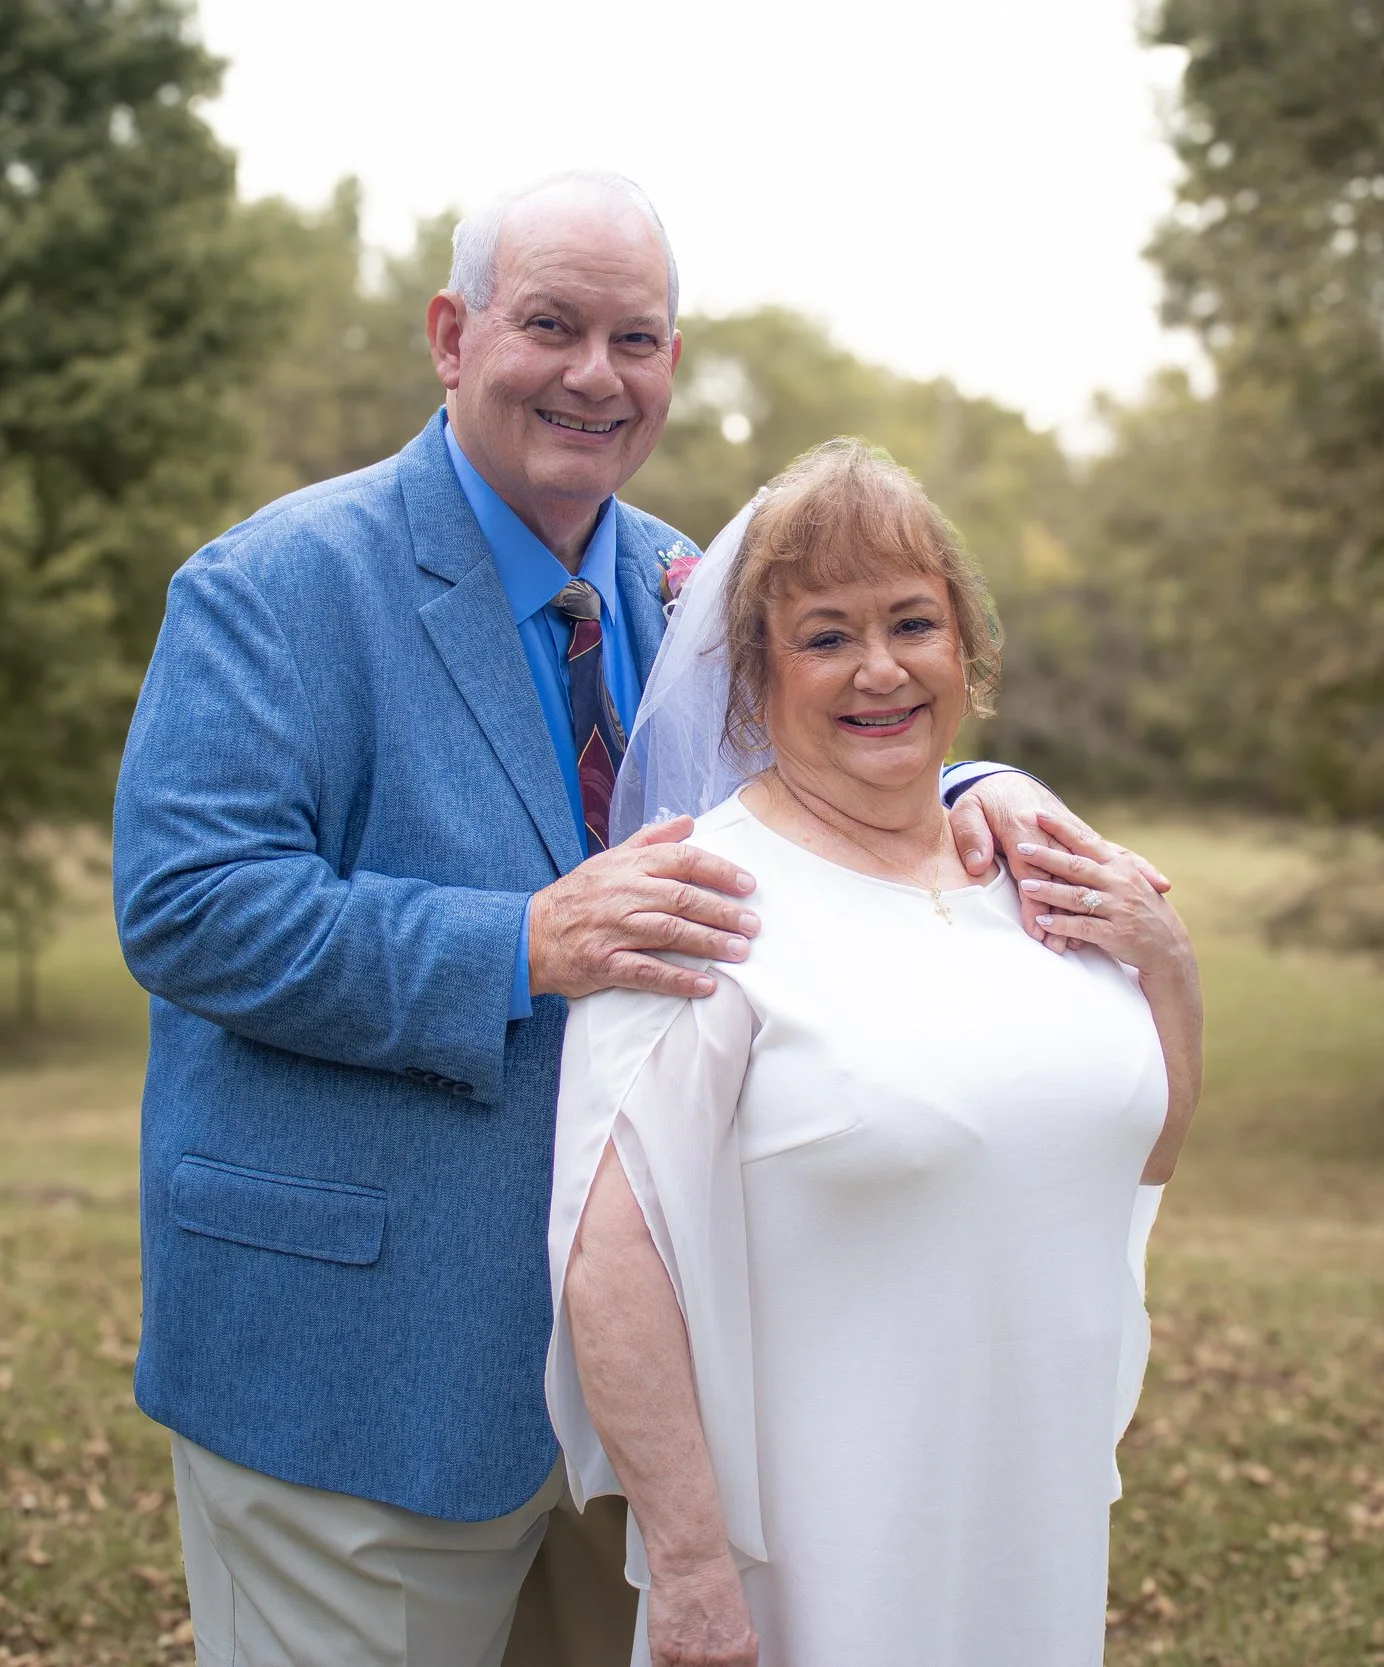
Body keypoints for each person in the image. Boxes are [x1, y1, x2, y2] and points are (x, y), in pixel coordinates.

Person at [111, 173, 1079, 1667]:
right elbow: (189, 907)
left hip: (647, 1397)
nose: (594, 374)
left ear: (672, 365)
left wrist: (986, 779)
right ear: (451, 334)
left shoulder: (686, 580)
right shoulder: (276, 585)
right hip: (361, 1358)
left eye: (636, 338)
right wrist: (519, 944)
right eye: (550, 325)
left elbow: (830, 720)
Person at [547, 440, 1204, 1666]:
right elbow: (609, 1263)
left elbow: (1140, 1141)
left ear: (967, 648)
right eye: (826, 634)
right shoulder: (701, 900)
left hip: (1029, 1506)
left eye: (913, 621)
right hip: (818, 1547)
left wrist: (1168, 964)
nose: (881, 668)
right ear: (751, 675)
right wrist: (689, 1570)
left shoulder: (1032, 870)